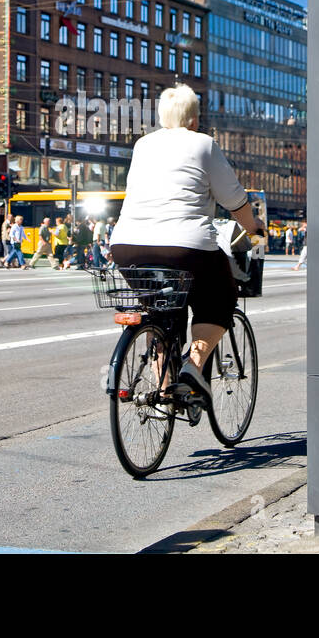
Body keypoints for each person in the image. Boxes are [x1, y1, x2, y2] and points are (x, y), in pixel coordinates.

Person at [110, 85, 264, 404]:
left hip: (126, 245)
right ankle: (193, 368)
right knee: (220, 299)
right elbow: (234, 199)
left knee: (160, 309)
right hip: (184, 246)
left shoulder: (142, 145)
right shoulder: (203, 144)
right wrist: (254, 228)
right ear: (194, 118)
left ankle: (164, 387)